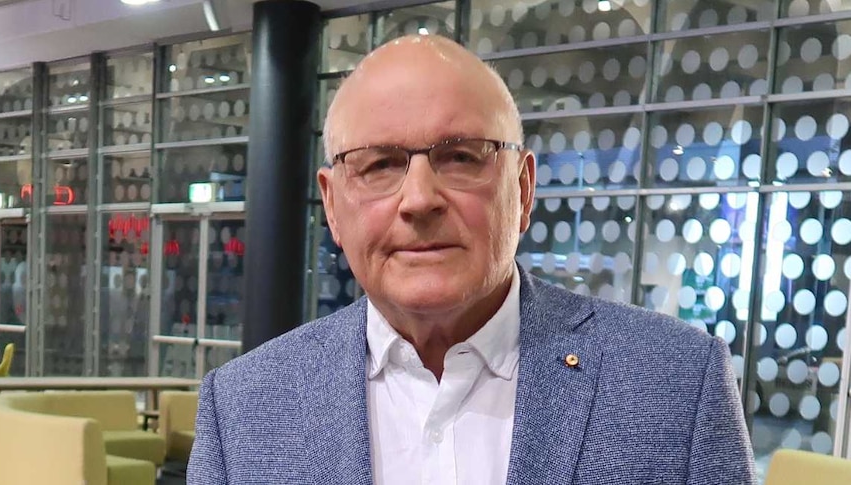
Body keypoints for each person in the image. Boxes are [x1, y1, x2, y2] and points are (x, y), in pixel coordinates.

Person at [188, 35, 756, 484]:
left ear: (524, 189)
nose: (418, 199)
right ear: (333, 206)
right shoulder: (242, 411)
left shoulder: (677, 385)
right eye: (380, 164)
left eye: (460, 156)